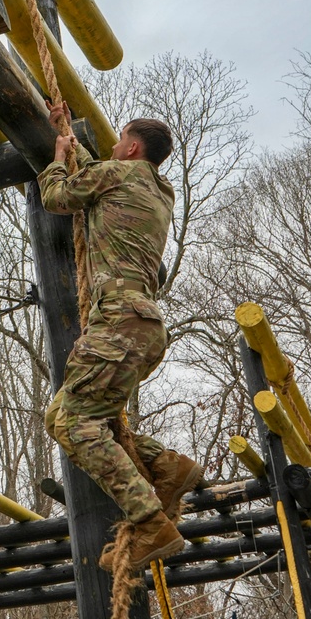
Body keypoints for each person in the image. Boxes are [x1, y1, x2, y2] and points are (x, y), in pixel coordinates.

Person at [39, 104, 202, 572]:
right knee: (62, 415)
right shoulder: (160, 189)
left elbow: (58, 196)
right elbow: (101, 179)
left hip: (117, 321)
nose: (110, 147)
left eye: (118, 141)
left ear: (131, 148)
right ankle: (168, 467)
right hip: (143, 326)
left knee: (75, 424)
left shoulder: (117, 174)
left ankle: (149, 521)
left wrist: (57, 155)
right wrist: (72, 141)